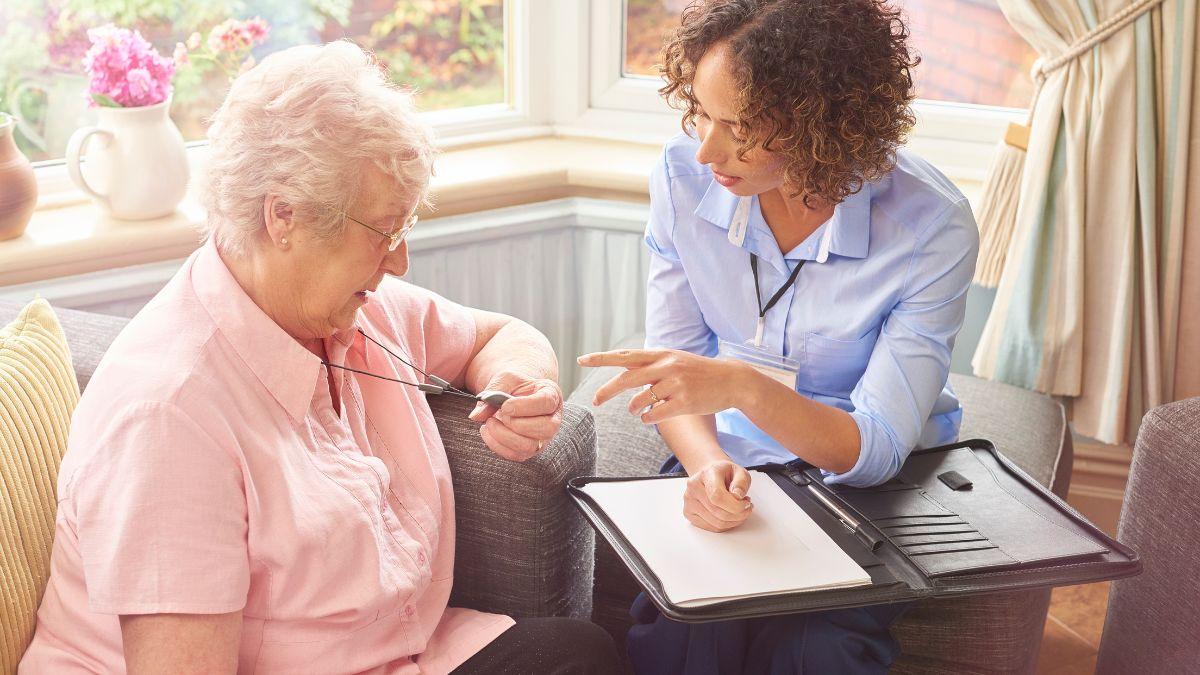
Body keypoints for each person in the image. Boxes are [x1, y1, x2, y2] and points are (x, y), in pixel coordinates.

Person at [20, 41, 619, 674]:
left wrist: (517, 382)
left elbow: (498, 334)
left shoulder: (350, 307)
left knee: (579, 655)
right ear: (285, 216)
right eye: (384, 231)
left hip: (399, 654)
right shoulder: (168, 416)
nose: (399, 260)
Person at [578, 0, 978, 672]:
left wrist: (740, 384)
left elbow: (874, 448)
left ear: (823, 126)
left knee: (817, 647)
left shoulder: (931, 226)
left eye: (740, 128)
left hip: (862, 483)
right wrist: (706, 466)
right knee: (687, 628)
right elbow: (678, 373)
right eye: (702, 113)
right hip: (726, 451)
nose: (707, 149)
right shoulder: (682, 178)